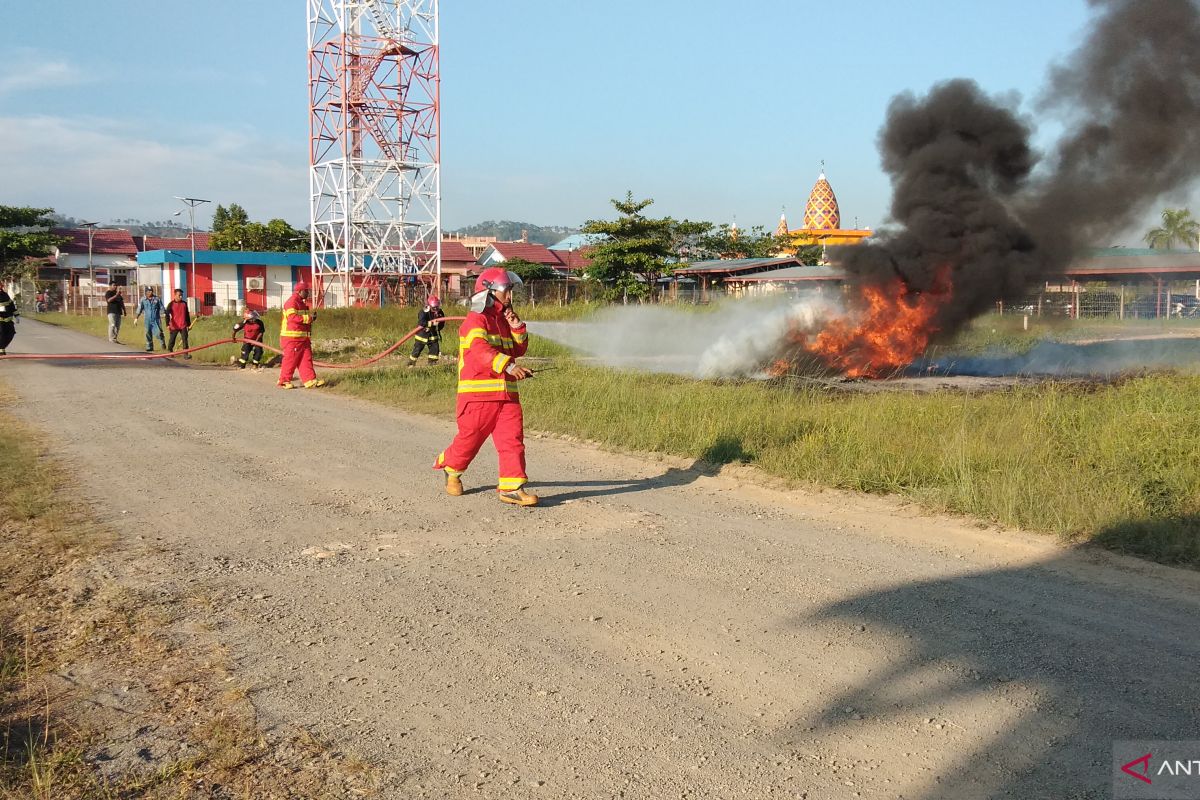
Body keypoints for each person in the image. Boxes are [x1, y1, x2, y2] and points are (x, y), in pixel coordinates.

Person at [433, 267, 538, 506]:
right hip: (478, 396)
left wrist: (516, 326)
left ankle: (512, 487)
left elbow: (516, 350)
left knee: (512, 440)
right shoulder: (475, 320)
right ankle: (451, 467)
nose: (510, 297)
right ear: (489, 292)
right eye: (506, 291)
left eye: (510, 291)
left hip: (506, 395)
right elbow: (480, 351)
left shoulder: (502, 321)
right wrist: (509, 367)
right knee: (470, 440)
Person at [278, 280, 325, 389]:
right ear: (299, 291)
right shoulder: (292, 302)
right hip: (292, 338)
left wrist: (310, 319)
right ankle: (284, 380)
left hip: (303, 338)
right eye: (306, 291)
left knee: (306, 359)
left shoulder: (301, 303)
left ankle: (310, 380)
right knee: (290, 360)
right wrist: (309, 318)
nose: (308, 293)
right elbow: (292, 318)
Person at [408, 295, 445, 367]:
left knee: (435, 350)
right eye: (434, 308)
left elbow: (442, 322)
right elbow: (421, 322)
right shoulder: (423, 312)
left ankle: (432, 364)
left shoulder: (440, 312)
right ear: (429, 306)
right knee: (417, 350)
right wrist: (431, 323)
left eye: (437, 307)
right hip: (422, 335)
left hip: (433, 335)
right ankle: (411, 364)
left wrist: (438, 326)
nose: (436, 309)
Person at [134, 287, 167, 352]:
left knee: (158, 333)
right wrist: (136, 318)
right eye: (149, 291)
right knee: (148, 333)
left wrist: (164, 313)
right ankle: (149, 347)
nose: (150, 292)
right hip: (147, 320)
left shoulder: (157, 299)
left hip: (156, 320)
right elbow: (139, 309)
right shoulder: (143, 299)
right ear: (146, 292)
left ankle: (162, 342)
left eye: (151, 291)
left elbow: (161, 307)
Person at [164, 288, 193, 359]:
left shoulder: (184, 304)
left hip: (183, 325)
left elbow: (187, 314)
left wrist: (189, 324)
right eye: (179, 295)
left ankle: (185, 354)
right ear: (175, 295)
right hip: (174, 326)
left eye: (181, 295)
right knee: (172, 340)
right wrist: (167, 324)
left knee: (185, 339)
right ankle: (170, 351)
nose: (181, 297)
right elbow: (167, 314)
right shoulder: (171, 304)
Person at [0, 286, 19, 355]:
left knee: (11, 333)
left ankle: (2, 347)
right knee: (2, 334)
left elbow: (11, 305)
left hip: (8, 321)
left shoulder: (5, 295)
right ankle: (1, 350)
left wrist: (16, 316)